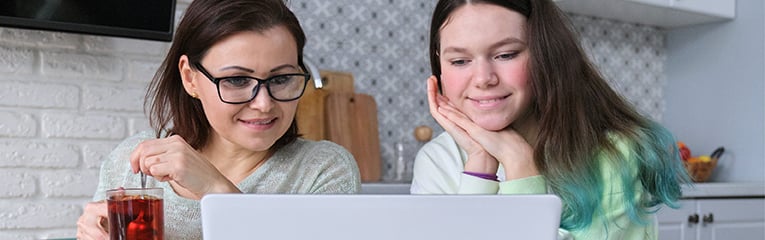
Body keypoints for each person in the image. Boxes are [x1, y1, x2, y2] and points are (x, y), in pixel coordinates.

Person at [76, 0, 361, 238]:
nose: (264, 104)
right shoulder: (131, 161)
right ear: (190, 78)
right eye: (237, 80)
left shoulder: (323, 171)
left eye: (282, 78)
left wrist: (216, 190)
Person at [410, 0, 690, 239]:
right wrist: (480, 168)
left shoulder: (614, 155)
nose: (484, 79)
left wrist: (519, 163)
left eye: (506, 54)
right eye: (459, 61)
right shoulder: (437, 160)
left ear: (546, 55)